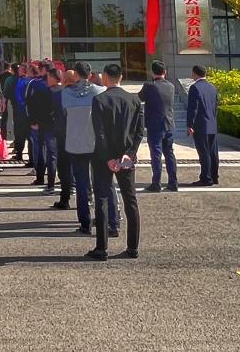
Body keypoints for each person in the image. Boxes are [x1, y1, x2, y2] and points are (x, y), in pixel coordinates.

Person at [89, 63, 144, 261]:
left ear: (105, 77)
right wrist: (131, 152)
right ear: (121, 77)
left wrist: (108, 157)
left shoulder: (99, 100)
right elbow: (139, 131)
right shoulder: (134, 99)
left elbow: (99, 132)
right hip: (126, 156)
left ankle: (102, 247)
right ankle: (133, 247)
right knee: (130, 200)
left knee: (102, 199)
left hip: (103, 157)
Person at [59, 61, 109, 236]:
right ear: (91, 74)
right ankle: (105, 220)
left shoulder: (65, 94)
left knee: (81, 184)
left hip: (75, 143)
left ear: (76, 74)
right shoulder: (100, 91)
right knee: (101, 182)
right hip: (95, 142)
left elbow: (64, 114)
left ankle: (85, 222)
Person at [139, 60, 179, 193]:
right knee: (169, 153)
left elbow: (140, 97)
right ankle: (173, 182)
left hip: (155, 124)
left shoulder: (150, 86)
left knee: (156, 154)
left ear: (152, 72)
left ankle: (156, 183)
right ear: (165, 72)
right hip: (169, 123)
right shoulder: (171, 86)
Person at [27, 64, 61, 190]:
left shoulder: (43, 92)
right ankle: (66, 181)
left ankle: (46, 181)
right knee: (60, 155)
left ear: (51, 77)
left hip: (45, 125)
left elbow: (32, 105)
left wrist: (34, 121)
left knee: (45, 153)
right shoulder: (66, 92)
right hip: (61, 126)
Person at [186, 65, 220, 187]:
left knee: (204, 153)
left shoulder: (195, 88)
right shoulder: (212, 87)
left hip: (201, 125)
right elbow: (216, 106)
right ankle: (214, 176)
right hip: (212, 124)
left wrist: (190, 124)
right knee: (213, 153)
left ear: (195, 74)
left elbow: (193, 108)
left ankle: (206, 178)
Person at [53, 67, 78, 210]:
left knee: (64, 168)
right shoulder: (82, 94)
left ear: (64, 80)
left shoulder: (58, 95)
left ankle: (65, 198)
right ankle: (86, 198)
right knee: (81, 167)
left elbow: (52, 113)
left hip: (63, 134)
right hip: (79, 134)